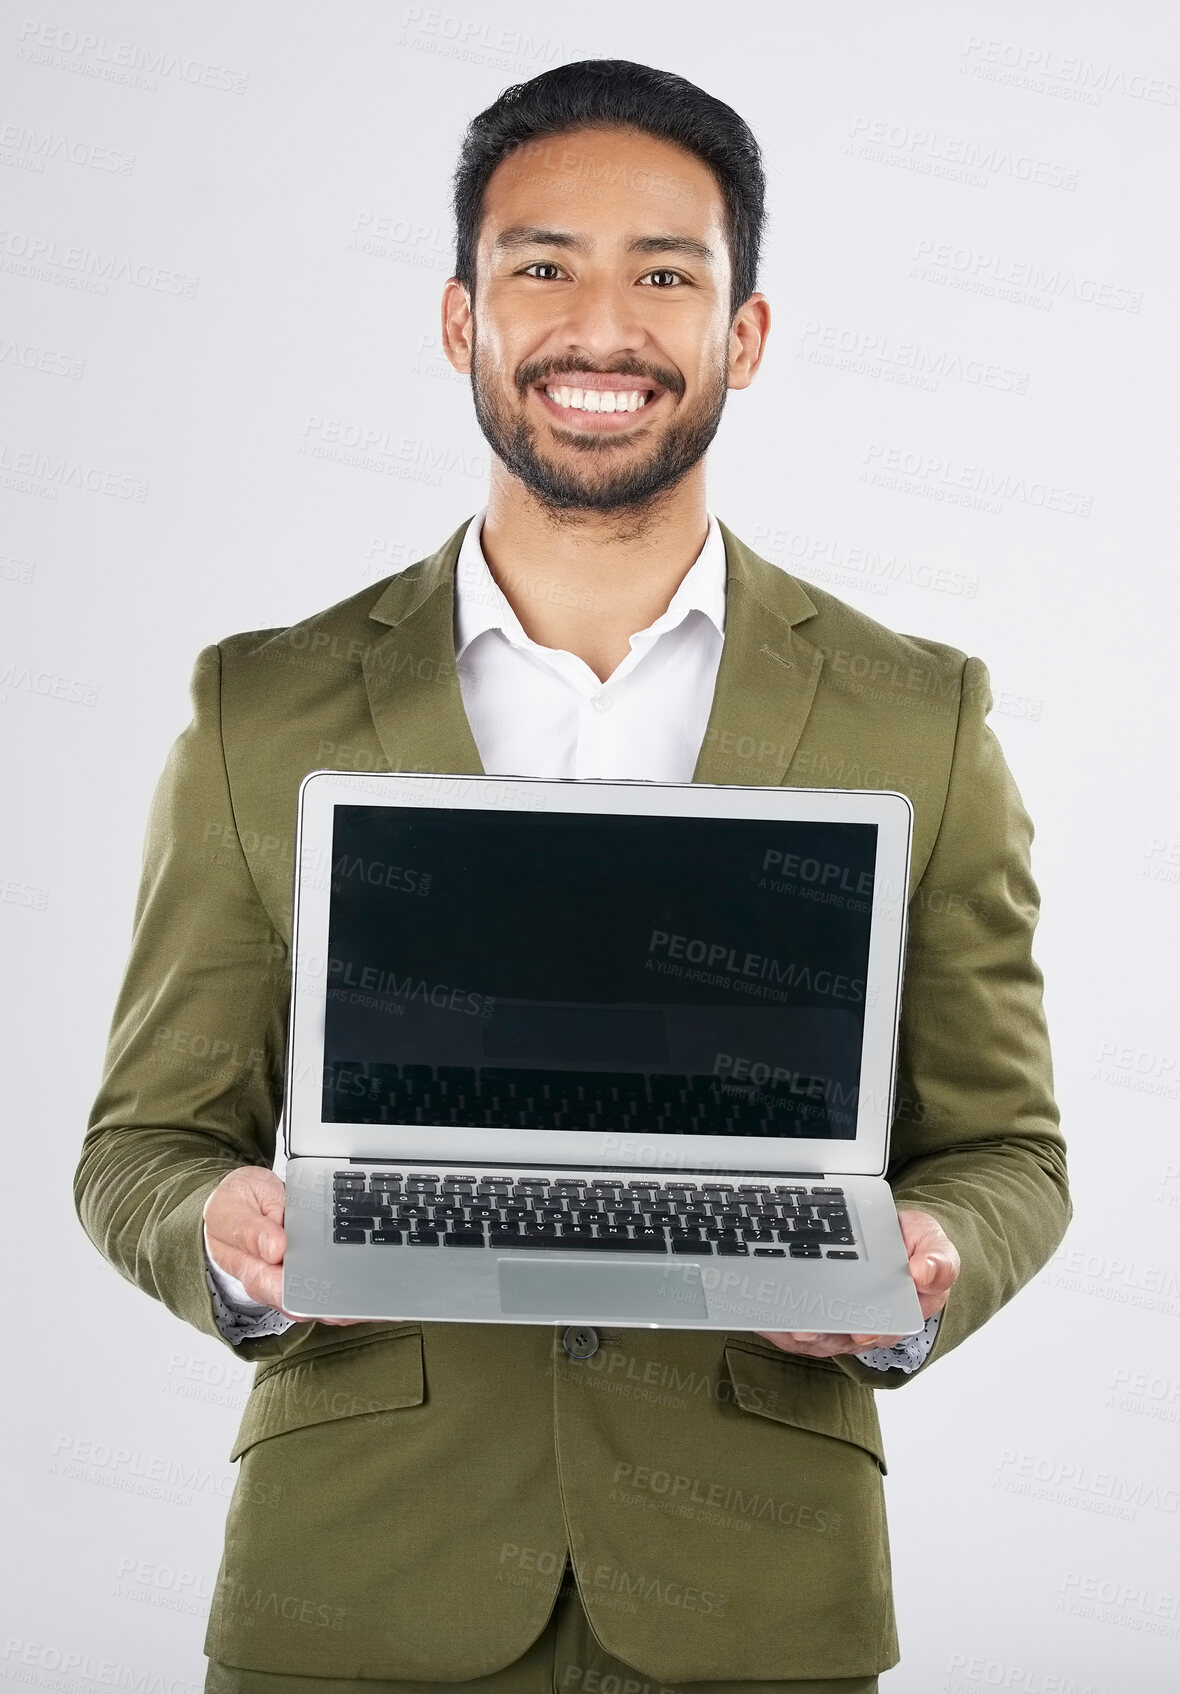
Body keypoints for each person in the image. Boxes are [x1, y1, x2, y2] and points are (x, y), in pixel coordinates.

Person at [75, 59, 1070, 1694]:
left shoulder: (918, 713)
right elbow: (141, 1144)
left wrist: (925, 1261)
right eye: (541, 266)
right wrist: (221, 1229)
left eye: (663, 274)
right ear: (461, 320)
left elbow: (1008, 1147)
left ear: (741, 334)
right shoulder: (264, 704)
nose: (599, 329)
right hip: (359, 1577)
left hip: (756, 1591)